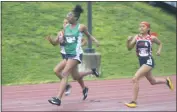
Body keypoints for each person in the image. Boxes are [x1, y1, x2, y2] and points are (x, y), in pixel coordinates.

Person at [47, 4, 99, 106]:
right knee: (75, 76)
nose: (67, 17)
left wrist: (95, 41)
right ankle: (91, 71)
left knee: (65, 73)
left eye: (69, 16)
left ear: (75, 17)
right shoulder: (66, 28)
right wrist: (52, 40)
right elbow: (60, 42)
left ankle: (58, 98)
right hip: (68, 55)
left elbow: (88, 35)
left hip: (76, 55)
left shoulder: (81, 27)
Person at [125, 21, 174, 108]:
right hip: (141, 62)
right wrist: (127, 41)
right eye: (140, 26)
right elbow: (129, 48)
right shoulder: (136, 37)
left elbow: (160, 43)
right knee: (152, 81)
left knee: (135, 78)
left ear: (148, 29)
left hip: (148, 61)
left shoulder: (152, 37)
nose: (141, 28)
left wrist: (159, 50)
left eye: (143, 26)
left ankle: (134, 102)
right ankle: (166, 81)